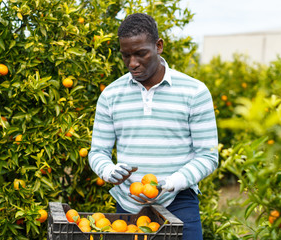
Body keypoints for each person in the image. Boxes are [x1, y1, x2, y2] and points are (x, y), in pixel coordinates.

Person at [88, 13, 218, 240]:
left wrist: (172, 182)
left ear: (158, 46)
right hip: (129, 206)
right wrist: (108, 171)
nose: (132, 64)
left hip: (179, 201)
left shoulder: (194, 92)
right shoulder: (111, 94)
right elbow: (98, 152)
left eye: (140, 54)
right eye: (126, 56)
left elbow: (208, 156)